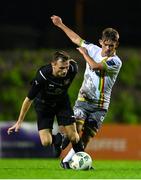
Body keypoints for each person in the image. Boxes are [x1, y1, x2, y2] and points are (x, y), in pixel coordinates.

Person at [51, 15, 122, 168]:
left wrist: (84, 54)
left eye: (112, 45)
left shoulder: (116, 61)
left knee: (87, 137)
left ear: (117, 45)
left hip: (101, 106)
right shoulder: (93, 49)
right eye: (106, 44)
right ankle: (61, 139)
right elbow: (76, 39)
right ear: (101, 42)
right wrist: (61, 25)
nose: (109, 48)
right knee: (76, 129)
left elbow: (96, 66)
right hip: (84, 100)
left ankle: (66, 161)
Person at [7, 50, 84, 159]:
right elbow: (28, 99)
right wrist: (19, 122)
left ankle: (84, 161)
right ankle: (58, 140)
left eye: (66, 67)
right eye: (61, 68)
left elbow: (73, 62)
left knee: (74, 138)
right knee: (46, 142)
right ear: (53, 64)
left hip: (62, 103)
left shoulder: (73, 68)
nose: (65, 71)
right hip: (44, 106)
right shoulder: (42, 76)